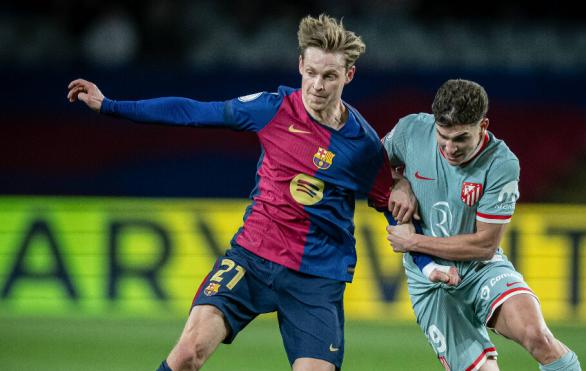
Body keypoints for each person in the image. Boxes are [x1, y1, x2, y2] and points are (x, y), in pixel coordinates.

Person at [68, 14, 418, 371]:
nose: (317, 85)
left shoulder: (362, 146)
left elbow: (393, 204)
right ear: (300, 65)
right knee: (188, 353)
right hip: (252, 258)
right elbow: (193, 111)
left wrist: (413, 222)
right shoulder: (272, 109)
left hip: (316, 277)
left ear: (349, 75)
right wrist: (109, 105)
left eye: (329, 76)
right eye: (311, 72)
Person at [384, 79, 581, 371]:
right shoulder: (410, 131)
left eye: (461, 138)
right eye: (443, 136)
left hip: (480, 269)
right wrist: (398, 182)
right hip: (430, 287)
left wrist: (413, 243)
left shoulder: (501, 163)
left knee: (538, 337)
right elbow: (366, 168)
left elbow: (484, 245)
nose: (450, 148)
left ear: (483, 125)